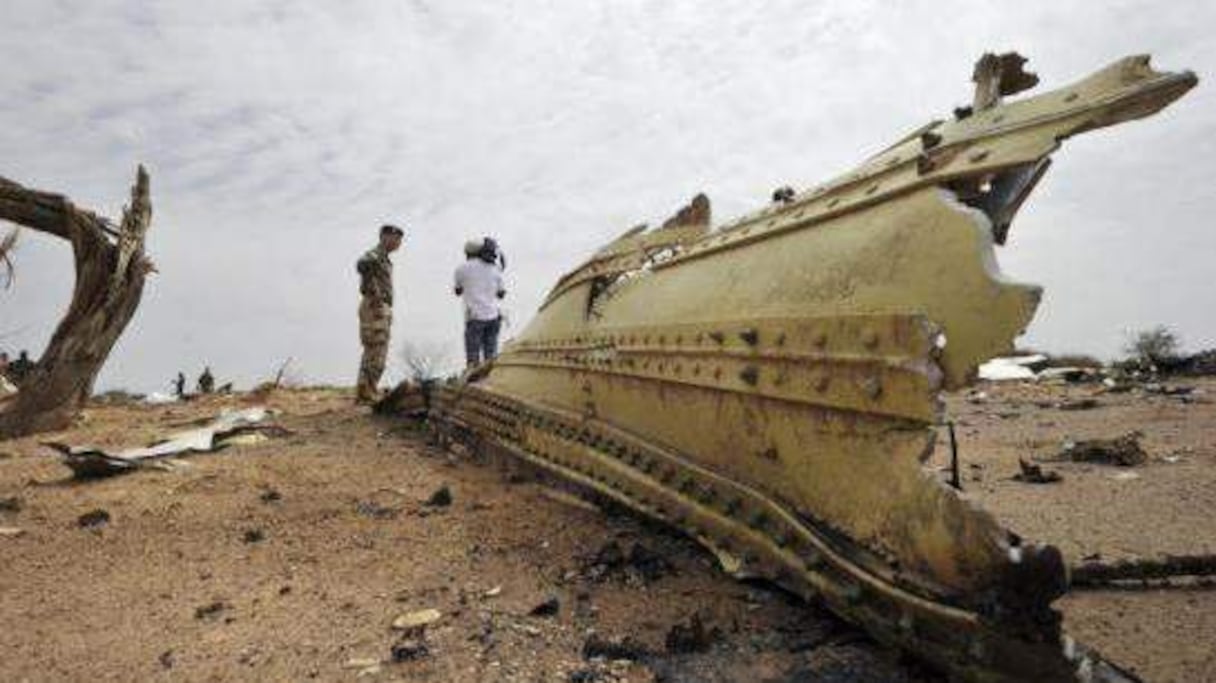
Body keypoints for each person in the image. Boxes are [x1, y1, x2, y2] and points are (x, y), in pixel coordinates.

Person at [355, 224, 405, 403]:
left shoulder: (384, 259)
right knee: (375, 349)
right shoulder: (375, 255)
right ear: (385, 237)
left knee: (379, 350)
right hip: (374, 307)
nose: (399, 243)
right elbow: (362, 263)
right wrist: (375, 293)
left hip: (381, 308)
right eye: (396, 238)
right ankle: (365, 392)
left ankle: (368, 389)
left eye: (400, 240)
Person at [454, 238, 506, 368]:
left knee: (473, 358)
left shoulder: (461, 268)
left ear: (467, 253)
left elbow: (458, 291)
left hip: (475, 317)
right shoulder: (495, 269)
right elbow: (501, 294)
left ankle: (472, 382)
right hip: (494, 317)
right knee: (490, 356)